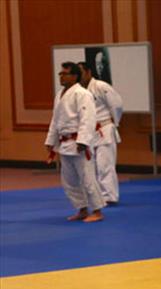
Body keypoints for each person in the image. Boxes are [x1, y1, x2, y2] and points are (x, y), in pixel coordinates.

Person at [45, 62, 105, 223]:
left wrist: (83, 141)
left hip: (79, 143)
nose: (61, 76)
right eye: (60, 74)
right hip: (64, 143)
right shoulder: (60, 95)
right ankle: (82, 209)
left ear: (75, 76)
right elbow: (55, 120)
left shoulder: (83, 94)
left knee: (87, 179)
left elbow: (88, 119)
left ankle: (97, 211)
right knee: (69, 181)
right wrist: (51, 141)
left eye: (65, 74)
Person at [78, 62, 124, 205]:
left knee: (105, 165)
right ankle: (96, 196)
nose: (79, 76)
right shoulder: (78, 91)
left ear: (88, 72)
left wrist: (113, 122)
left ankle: (110, 196)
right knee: (89, 167)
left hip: (104, 129)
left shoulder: (101, 86)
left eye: (81, 72)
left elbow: (116, 104)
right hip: (88, 132)